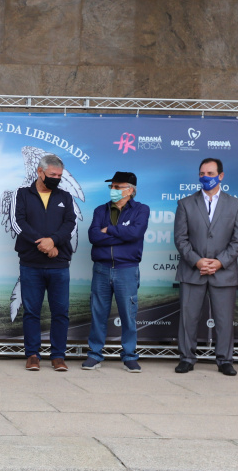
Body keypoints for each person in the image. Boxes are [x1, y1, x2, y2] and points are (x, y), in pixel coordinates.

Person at [172, 158, 238, 376]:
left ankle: (225, 360)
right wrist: (197, 261)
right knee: (188, 318)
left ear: (221, 176)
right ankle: (186, 358)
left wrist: (220, 262)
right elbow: (180, 239)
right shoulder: (185, 204)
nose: (205, 177)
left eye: (210, 173)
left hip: (223, 273)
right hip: (192, 270)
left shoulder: (236, 205)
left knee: (224, 320)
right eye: (202, 173)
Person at [14, 154, 77, 372]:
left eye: (59, 176)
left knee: (61, 312)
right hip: (31, 264)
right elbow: (18, 222)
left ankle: (58, 356)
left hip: (59, 264)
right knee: (31, 311)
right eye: (52, 175)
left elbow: (70, 223)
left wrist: (54, 242)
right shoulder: (22, 194)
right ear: (40, 172)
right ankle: (32, 355)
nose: (56, 179)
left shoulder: (65, 197)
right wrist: (42, 243)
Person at [82, 171, 149, 373]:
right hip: (101, 269)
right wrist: (121, 235)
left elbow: (135, 233)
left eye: (117, 187)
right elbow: (93, 236)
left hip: (126, 270)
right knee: (98, 313)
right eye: (111, 186)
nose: (113, 190)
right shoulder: (100, 210)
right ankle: (94, 355)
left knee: (128, 315)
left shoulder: (141, 210)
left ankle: (129, 356)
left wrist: (108, 231)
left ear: (130, 190)